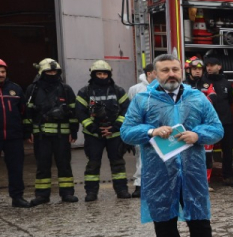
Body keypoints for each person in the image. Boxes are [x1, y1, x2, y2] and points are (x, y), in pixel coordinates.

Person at [121, 55, 224, 237]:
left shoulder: (197, 98)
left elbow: (217, 128)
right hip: (159, 170)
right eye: (165, 70)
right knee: (163, 217)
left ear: (181, 72)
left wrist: (198, 135)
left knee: (198, 215)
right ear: (155, 74)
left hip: (192, 169)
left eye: (175, 69)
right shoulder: (143, 100)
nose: (171, 74)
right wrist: (151, 131)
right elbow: (126, 131)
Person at [75, 59, 132, 201]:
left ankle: (122, 190)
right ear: (93, 74)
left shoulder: (118, 91)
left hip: (114, 134)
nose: (102, 76)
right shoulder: (84, 92)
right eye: (99, 73)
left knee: (118, 162)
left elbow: (126, 110)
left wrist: (114, 128)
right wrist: (94, 128)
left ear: (109, 74)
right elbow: (80, 112)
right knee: (93, 164)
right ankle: (91, 192)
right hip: (93, 135)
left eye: (104, 74)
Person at [25, 58, 78, 204]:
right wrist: (28, 130)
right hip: (41, 136)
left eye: (54, 71)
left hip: (62, 135)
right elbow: (27, 112)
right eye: (49, 71)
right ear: (42, 72)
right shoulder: (33, 89)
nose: (52, 73)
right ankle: (42, 195)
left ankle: (67, 193)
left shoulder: (65, 89)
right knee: (42, 165)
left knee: (64, 164)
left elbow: (73, 111)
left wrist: (73, 131)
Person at [204, 57, 233, 187]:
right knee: (207, 152)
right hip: (208, 122)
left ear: (219, 66)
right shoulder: (203, 82)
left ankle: (227, 177)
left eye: (212, 65)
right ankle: (206, 179)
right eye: (207, 65)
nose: (209, 68)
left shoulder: (226, 83)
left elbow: (230, 101)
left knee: (228, 150)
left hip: (225, 121)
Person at [0, 59, 29, 208]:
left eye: (3, 71)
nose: (1, 74)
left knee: (16, 168)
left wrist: (25, 133)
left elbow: (24, 112)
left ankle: (17, 197)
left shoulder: (15, 89)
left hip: (13, 136)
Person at [128, 63, 156, 197]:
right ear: (149, 73)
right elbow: (131, 110)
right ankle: (139, 185)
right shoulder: (136, 89)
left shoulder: (161, 88)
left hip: (159, 128)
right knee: (141, 157)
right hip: (142, 129)